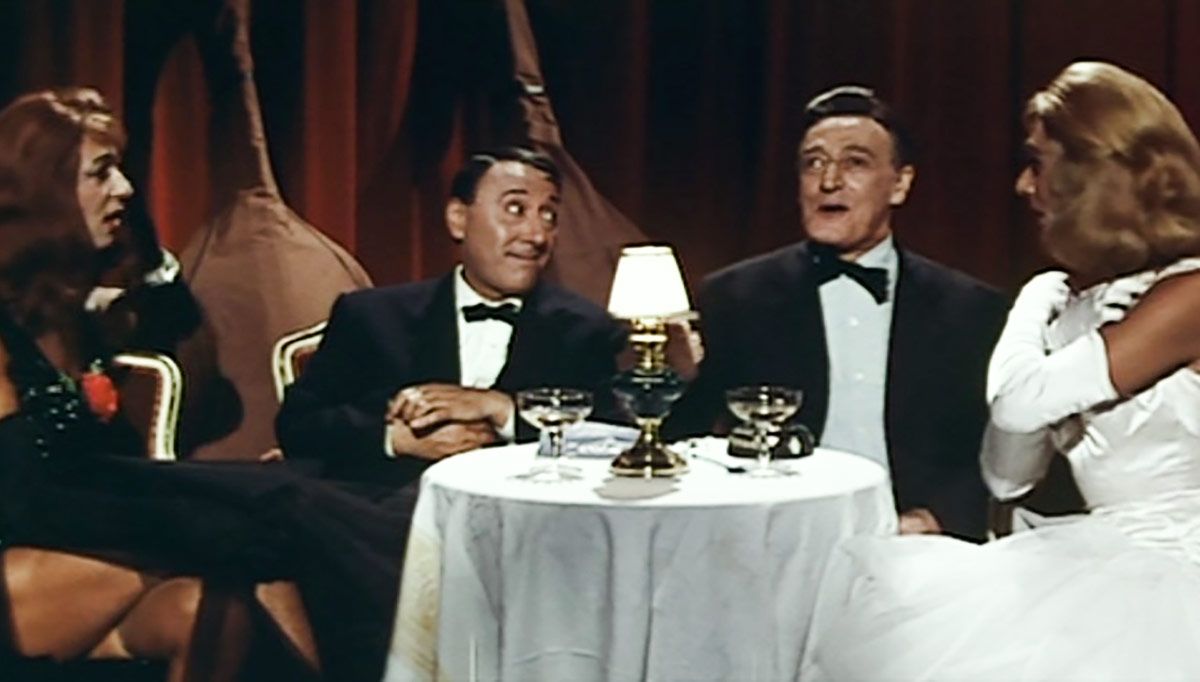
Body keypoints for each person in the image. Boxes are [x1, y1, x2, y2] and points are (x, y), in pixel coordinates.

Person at [802, 61, 1200, 681]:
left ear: (1089, 173)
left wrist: (1031, 303)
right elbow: (1008, 475)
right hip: (1100, 564)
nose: (1022, 185)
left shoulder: (1189, 295)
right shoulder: (1078, 302)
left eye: (1037, 163)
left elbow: (1018, 403)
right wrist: (1048, 307)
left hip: (1179, 581)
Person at [0, 88, 404, 682]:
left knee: (239, 564)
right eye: (101, 172)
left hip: (76, 532)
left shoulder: (68, 310)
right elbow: (22, 497)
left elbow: (173, 322)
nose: (125, 188)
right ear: (46, 189)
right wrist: (190, 524)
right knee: (261, 523)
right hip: (21, 564)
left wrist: (139, 237)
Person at [666, 85, 1007, 540]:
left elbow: (994, 452)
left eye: (855, 163)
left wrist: (934, 521)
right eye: (813, 163)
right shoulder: (735, 297)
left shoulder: (970, 309)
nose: (828, 181)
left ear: (900, 184)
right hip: (775, 537)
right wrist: (673, 377)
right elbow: (685, 440)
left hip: (915, 545)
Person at [275, 146, 627, 494]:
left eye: (548, 215)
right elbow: (299, 425)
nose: (536, 235)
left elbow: (616, 441)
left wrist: (503, 409)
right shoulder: (372, 316)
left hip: (523, 517)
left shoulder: (583, 328)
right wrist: (397, 439)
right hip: (382, 511)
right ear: (458, 219)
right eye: (515, 209)